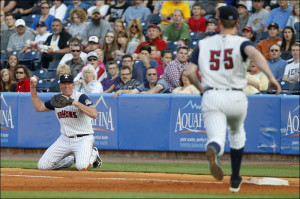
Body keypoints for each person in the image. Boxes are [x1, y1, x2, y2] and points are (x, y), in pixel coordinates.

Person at [186, 6, 281, 193]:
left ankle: (214, 149)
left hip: (212, 94)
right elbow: (256, 55)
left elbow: (189, 72)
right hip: (236, 96)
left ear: (218, 22)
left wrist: (200, 88)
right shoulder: (242, 43)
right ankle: (235, 177)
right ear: (238, 23)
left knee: (217, 138)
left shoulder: (204, 44)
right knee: (237, 134)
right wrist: (270, 76)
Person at [30, 73, 102, 171]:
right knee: (43, 166)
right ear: (60, 85)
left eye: (69, 83)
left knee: (81, 166)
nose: (66, 86)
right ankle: (69, 160)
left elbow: (94, 114)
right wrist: (32, 88)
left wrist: (74, 103)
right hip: (65, 139)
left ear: (73, 85)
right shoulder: (57, 100)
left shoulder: (81, 97)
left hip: (83, 138)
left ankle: (93, 153)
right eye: (63, 83)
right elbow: (39, 107)